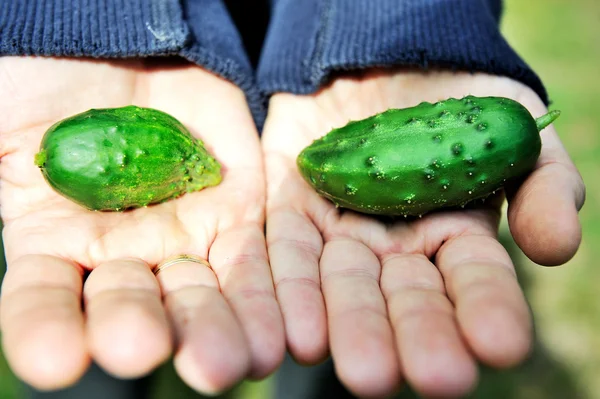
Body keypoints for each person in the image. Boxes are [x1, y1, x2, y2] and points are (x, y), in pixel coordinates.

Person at [0, 0, 586, 398]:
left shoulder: (508, 131)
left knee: (335, 317)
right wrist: (78, 20)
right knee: (90, 324)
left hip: (301, 26)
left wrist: (405, 26)